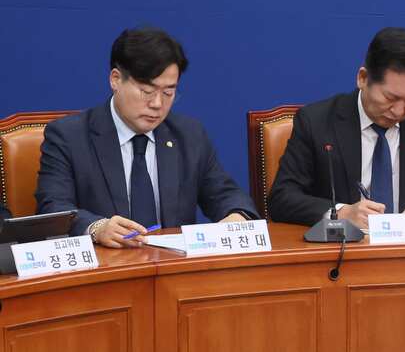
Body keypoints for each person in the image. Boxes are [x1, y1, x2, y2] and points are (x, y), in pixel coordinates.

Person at [36, 28, 258, 247]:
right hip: (106, 269)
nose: (157, 104)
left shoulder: (189, 135)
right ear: (115, 79)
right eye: (147, 91)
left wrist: (236, 216)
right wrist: (96, 227)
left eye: (168, 92)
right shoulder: (69, 136)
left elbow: (225, 193)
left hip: (174, 270)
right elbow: (53, 208)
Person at [268, 27, 405, 228]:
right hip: (343, 251)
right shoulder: (317, 121)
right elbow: (282, 198)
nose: (399, 111)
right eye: (390, 98)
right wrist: (341, 213)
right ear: (363, 78)